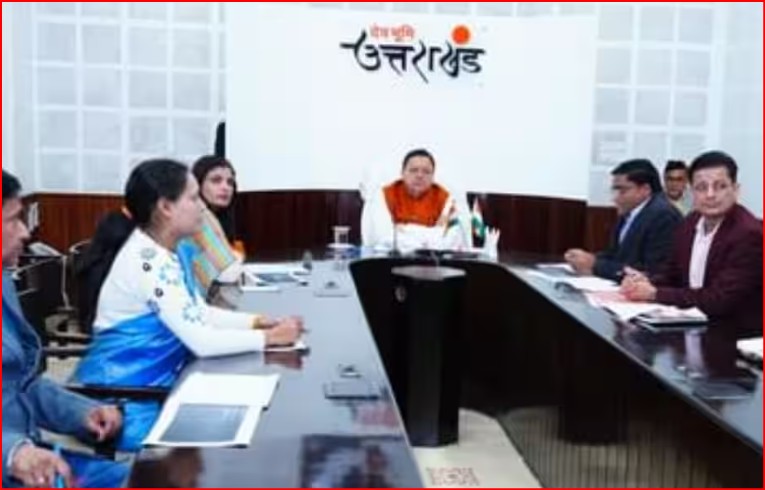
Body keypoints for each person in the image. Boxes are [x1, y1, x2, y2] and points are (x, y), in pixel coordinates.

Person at [72, 160, 302, 451]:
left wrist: (257, 322)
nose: (201, 207)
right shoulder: (148, 263)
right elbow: (202, 341)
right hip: (127, 398)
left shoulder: (168, 249)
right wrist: (270, 338)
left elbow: (196, 312)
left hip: (161, 381)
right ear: (166, 207)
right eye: (193, 199)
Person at [2, 170, 124, 488]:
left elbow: (22, 385)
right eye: (13, 220)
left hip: (36, 462)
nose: (25, 232)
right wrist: (11, 453)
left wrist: (82, 412)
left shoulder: (4, 284)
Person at [621, 151, 763, 338]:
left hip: (734, 336)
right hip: (693, 329)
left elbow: (719, 299)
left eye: (720, 186)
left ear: (735, 190)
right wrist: (643, 282)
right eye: (701, 187)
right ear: (692, 192)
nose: (710, 195)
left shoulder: (749, 234)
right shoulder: (690, 223)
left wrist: (654, 293)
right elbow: (672, 275)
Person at [564, 159, 682, 281]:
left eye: (622, 190)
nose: (615, 198)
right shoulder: (630, 211)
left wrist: (595, 264)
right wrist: (587, 259)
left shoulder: (664, 216)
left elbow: (651, 271)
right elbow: (616, 254)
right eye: (614, 190)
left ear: (645, 189)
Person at [361, 149, 469, 251]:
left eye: (426, 172)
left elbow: (448, 241)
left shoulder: (445, 198)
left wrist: (405, 229)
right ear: (402, 173)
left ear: (433, 176)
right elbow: (384, 237)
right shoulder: (385, 195)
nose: (420, 175)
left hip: (432, 261)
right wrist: (431, 236)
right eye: (413, 170)